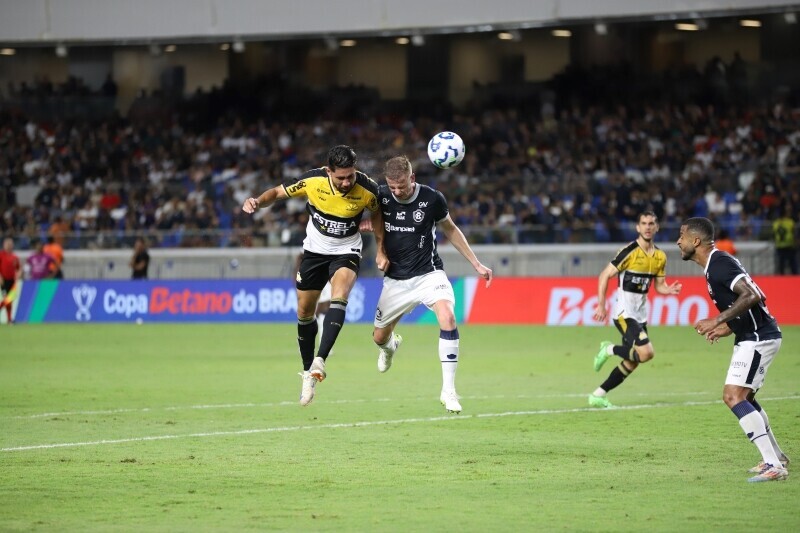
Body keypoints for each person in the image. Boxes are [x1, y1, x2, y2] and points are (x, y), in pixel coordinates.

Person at [243, 145, 386, 406]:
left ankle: (321, 359)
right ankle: (308, 371)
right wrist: (256, 201)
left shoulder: (368, 189)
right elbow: (277, 192)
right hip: (314, 251)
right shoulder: (312, 181)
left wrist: (381, 250)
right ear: (328, 170)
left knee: (340, 296)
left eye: (350, 176)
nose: (346, 182)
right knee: (304, 313)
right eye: (340, 177)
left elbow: (377, 215)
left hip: (347, 249)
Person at [369, 155, 493, 413]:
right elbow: (372, 219)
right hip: (396, 280)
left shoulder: (432, 199)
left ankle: (449, 391)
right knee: (379, 337)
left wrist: (476, 263)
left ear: (412, 178)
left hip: (429, 274)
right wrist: (379, 250)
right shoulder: (381, 196)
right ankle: (390, 347)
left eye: (401, 185)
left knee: (447, 317)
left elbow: (451, 229)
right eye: (392, 187)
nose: (397, 191)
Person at [678, 217, 788, 483]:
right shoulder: (716, 265)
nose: (677, 241)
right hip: (752, 335)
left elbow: (752, 295)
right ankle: (776, 457)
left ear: (696, 240)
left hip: (759, 338)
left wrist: (716, 319)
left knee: (733, 396)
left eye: (681, 236)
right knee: (744, 398)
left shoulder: (719, 264)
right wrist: (728, 327)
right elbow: (751, 300)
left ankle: (774, 465)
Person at [589, 211, 682, 408]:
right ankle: (608, 349)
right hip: (624, 313)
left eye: (651, 223)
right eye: (644, 223)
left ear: (656, 227)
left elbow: (659, 286)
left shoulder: (659, 257)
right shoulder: (629, 251)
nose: (648, 227)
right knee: (647, 353)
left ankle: (598, 394)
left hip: (640, 316)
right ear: (638, 228)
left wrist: (669, 290)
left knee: (633, 361)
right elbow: (604, 275)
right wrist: (601, 304)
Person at [0, 237, 22, 324]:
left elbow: (18, 268)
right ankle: (9, 319)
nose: (9, 246)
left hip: (12, 281)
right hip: (3, 281)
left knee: (10, 300)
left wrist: (19, 274)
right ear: (4, 245)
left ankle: (9, 319)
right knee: (6, 299)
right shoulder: (1, 255)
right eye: (7, 244)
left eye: (10, 244)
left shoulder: (15, 257)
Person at [772, 207, 797, 275]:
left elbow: (774, 234)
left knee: (781, 264)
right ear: (785, 214)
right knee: (792, 263)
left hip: (779, 245)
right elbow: (793, 232)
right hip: (789, 245)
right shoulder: (790, 222)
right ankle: (795, 276)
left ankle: (781, 276)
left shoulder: (775, 223)